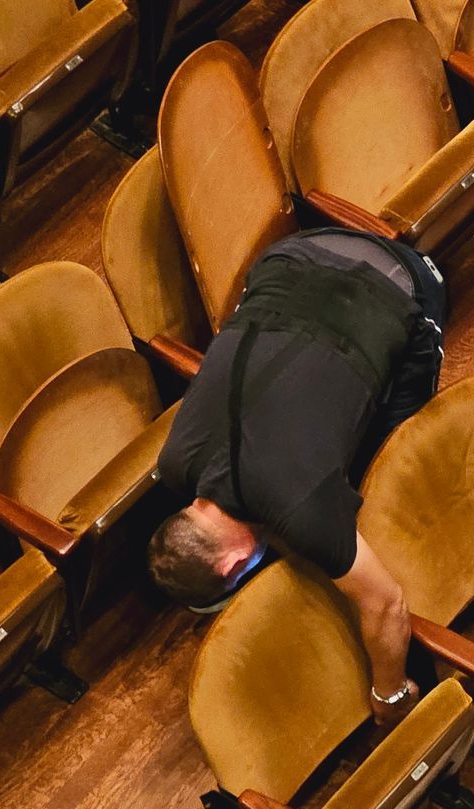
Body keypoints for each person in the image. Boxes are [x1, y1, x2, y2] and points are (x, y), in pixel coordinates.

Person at [148, 227, 448, 724]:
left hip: (398, 280)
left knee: (397, 454)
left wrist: (388, 695)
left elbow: (388, 604)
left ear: (233, 566)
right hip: (293, 254)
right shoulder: (175, 462)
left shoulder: (298, 507)